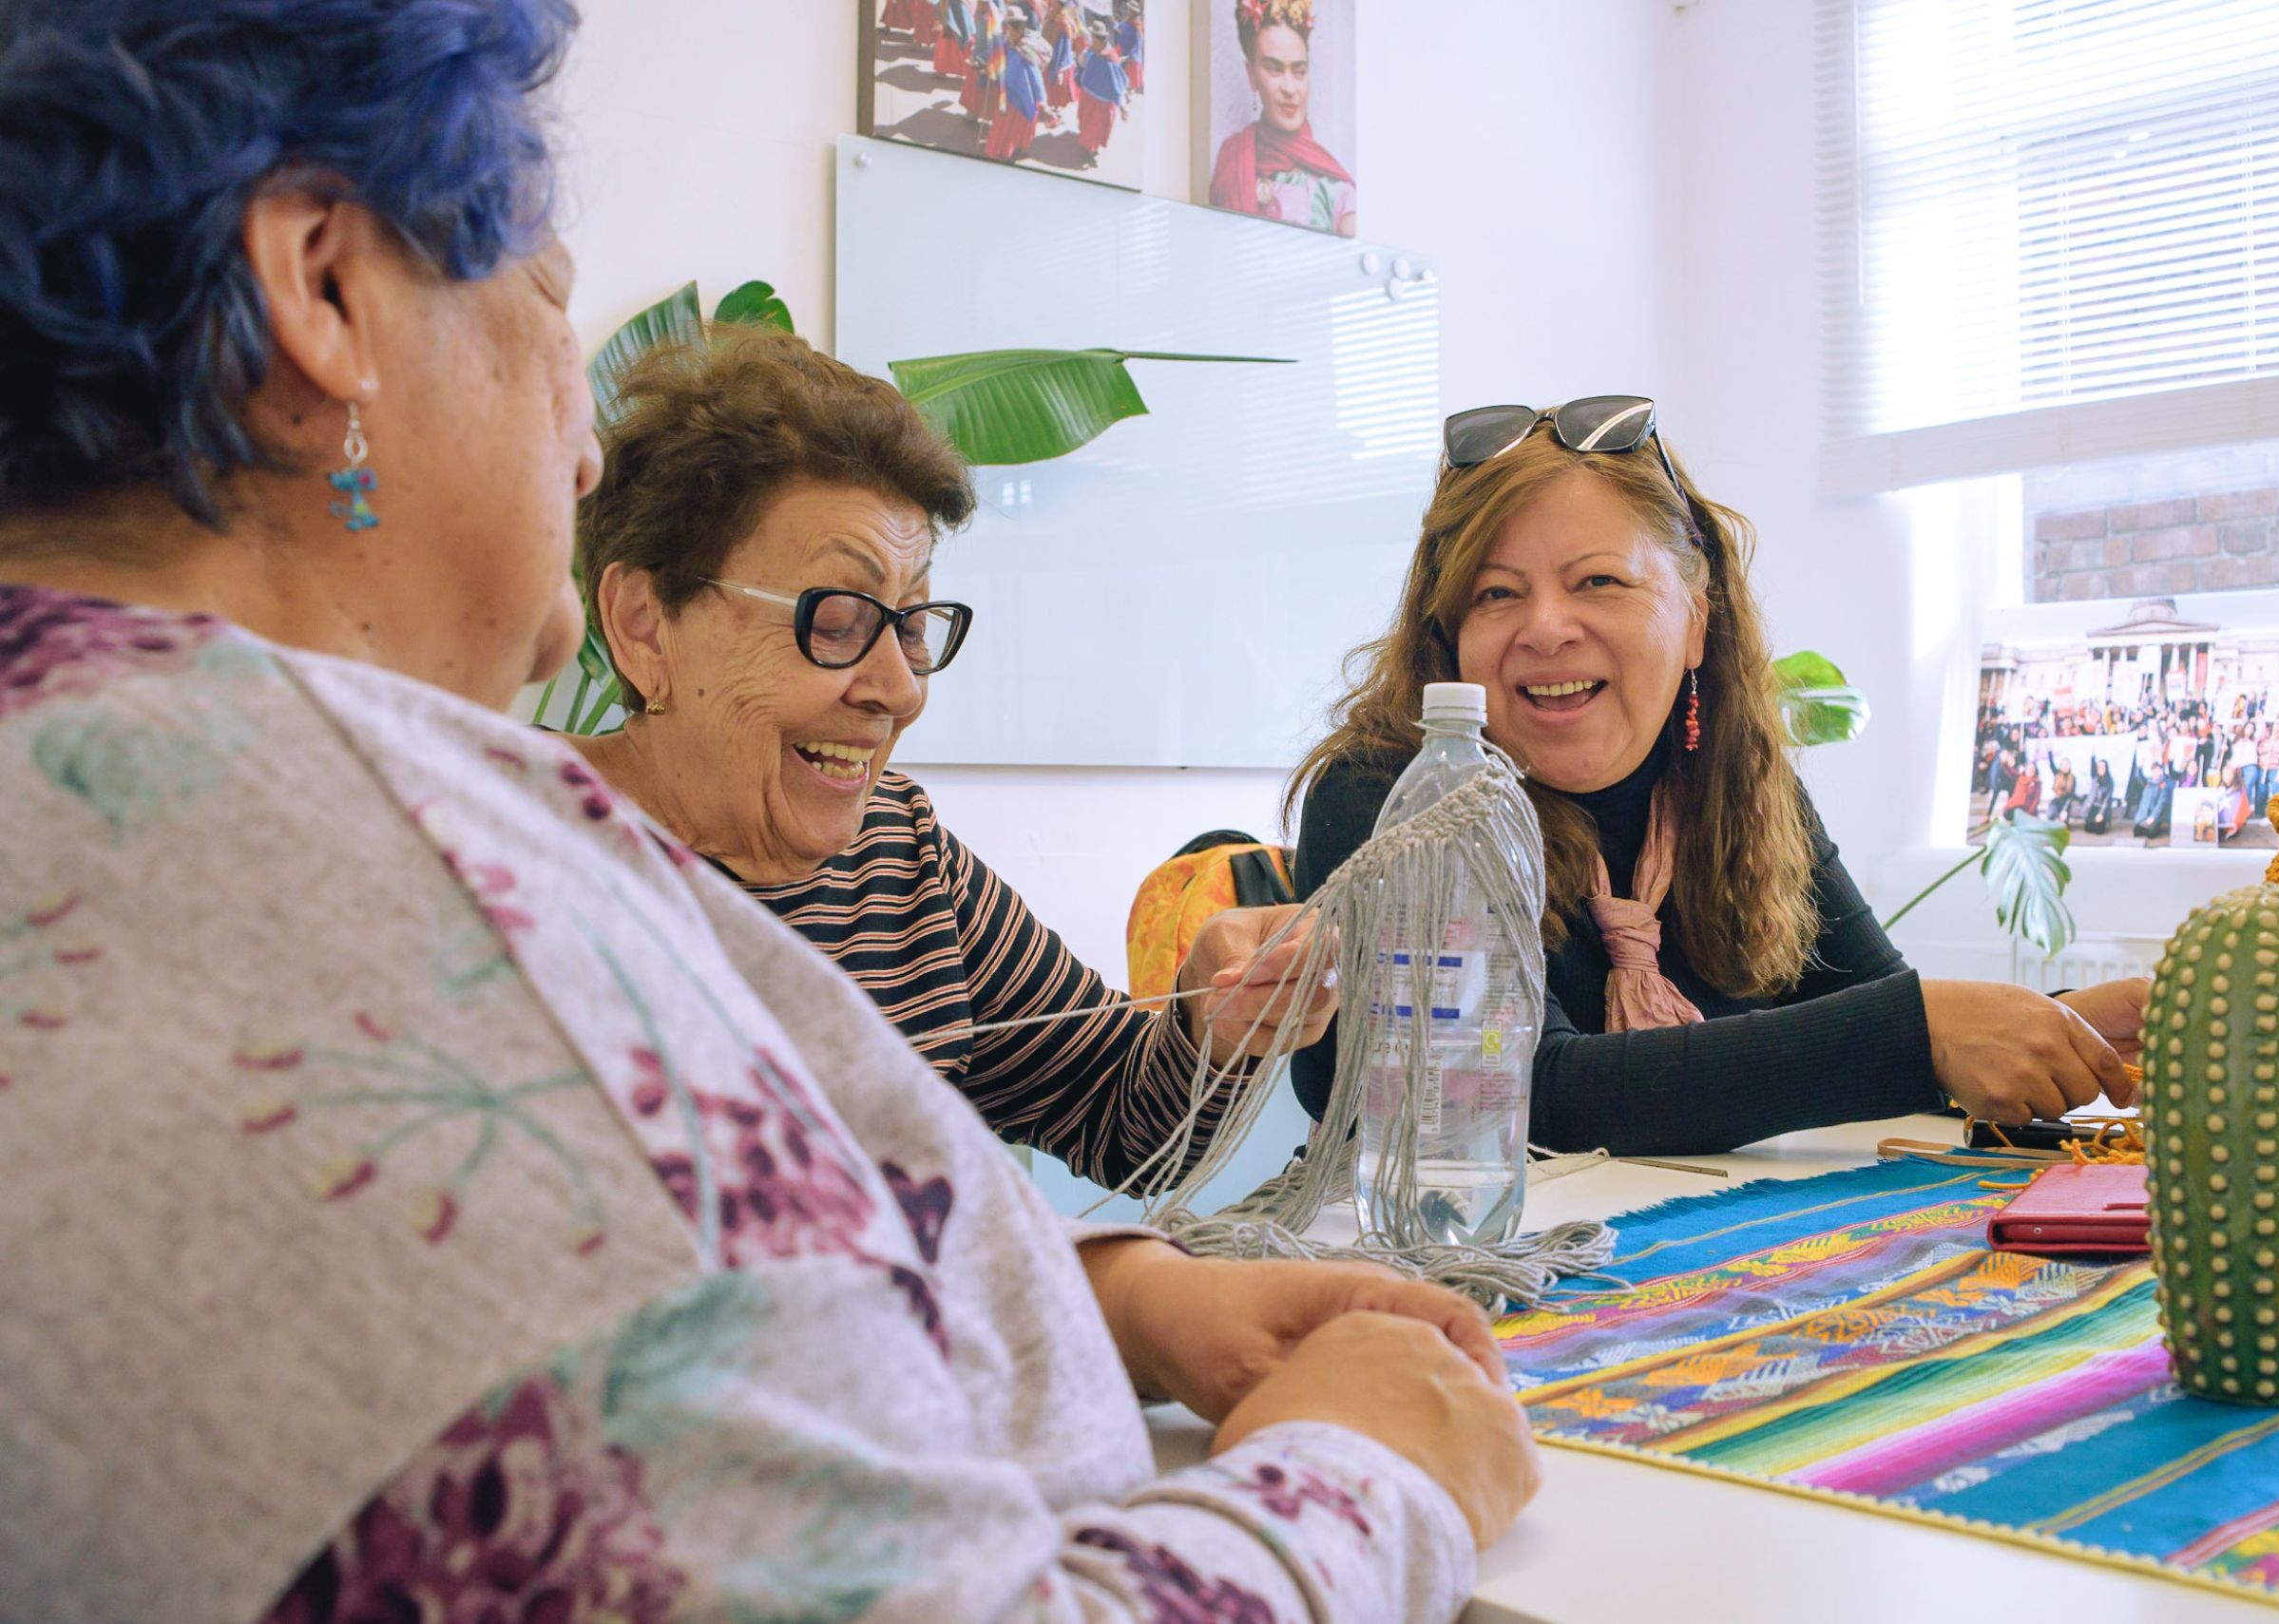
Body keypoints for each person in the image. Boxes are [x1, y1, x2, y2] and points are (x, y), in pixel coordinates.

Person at [0, 4, 1538, 1618]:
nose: (581, 441)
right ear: (323, 289)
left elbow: (1058, 1116)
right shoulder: (460, 928)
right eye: (540, 297)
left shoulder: (137, 798)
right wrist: (1367, 1472)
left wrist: (1132, 1257)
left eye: (915, 622)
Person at [570, 326, 1332, 1193]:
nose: (898, 688)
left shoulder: (898, 858)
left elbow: (1122, 1113)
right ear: (643, 624)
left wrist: (1209, 1027)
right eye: (836, 619)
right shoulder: (504, 851)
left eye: (913, 622)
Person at [1289, 402, 2148, 1156]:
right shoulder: (1396, 795)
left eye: (1598, 580)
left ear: (1696, 620)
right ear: (1450, 638)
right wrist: (1925, 1032)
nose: (1546, 627)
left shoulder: (1735, 786)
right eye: (1495, 594)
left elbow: (1876, 1018)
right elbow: (1526, 1095)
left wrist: (2071, 1025)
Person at [1207, 0, 1357, 237]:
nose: (1290, 88)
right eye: (1274, 69)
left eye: (1299, 71)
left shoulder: (1337, 193)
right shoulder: (1231, 161)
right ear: (1251, 74)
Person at [985, 8, 1046, 161]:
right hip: (1008, 92)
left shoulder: (1027, 50)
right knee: (1008, 124)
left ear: (1017, 29)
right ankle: (1008, 149)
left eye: (1009, 27)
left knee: (1013, 125)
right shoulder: (1007, 41)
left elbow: (1035, 76)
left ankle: (1008, 151)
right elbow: (999, 59)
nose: (1006, 29)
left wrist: (1041, 100)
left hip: (1023, 95)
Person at [1075, 17, 1129, 162]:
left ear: (1101, 40)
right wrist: (1080, 53)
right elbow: (1082, 63)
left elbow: (1118, 85)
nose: (1091, 42)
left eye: (1093, 39)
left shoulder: (1110, 60)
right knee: (1086, 122)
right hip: (1088, 95)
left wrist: (1123, 107)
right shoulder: (1091, 52)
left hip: (1103, 102)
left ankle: (1091, 149)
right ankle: (1089, 146)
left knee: (1096, 127)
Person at [2083, 755, 2116, 834]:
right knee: (2088, 827)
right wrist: (2093, 756)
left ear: (2106, 768)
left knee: (2099, 831)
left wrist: (2100, 813)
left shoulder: (2110, 781)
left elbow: (2107, 800)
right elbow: (2092, 769)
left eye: (2103, 766)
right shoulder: (2095, 777)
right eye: (2099, 766)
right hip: (2094, 806)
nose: (2101, 768)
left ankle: (2104, 822)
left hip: (2103, 807)